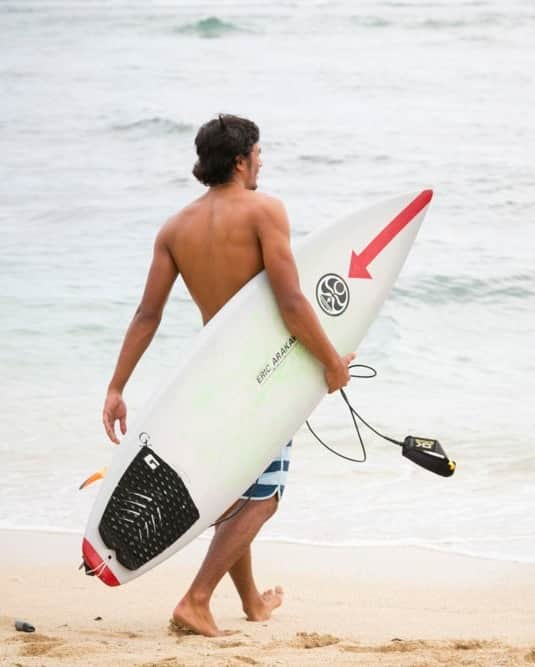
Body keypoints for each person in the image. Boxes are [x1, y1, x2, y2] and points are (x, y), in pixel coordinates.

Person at [101, 114, 355, 637]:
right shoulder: (266, 211)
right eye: (258, 152)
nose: (262, 161)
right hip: (263, 376)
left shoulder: (175, 228)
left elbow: (147, 316)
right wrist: (331, 362)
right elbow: (289, 300)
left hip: (210, 375)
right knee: (265, 497)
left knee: (234, 488)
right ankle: (196, 600)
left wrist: (117, 386)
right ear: (241, 159)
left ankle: (251, 603)